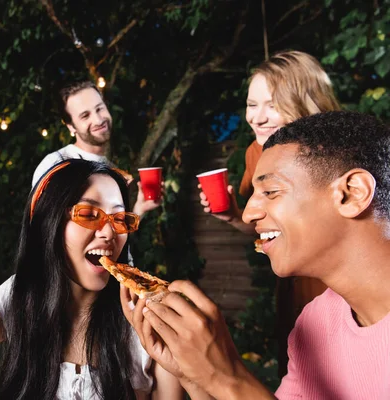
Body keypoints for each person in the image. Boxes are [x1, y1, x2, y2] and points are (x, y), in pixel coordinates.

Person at [0, 159, 210, 399]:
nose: (109, 232)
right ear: (50, 225)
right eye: (89, 214)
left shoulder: (146, 317)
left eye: (120, 218)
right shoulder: (21, 297)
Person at [125, 111, 390, 399]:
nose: (249, 213)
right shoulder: (315, 322)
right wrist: (195, 376)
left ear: (352, 194)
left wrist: (227, 376)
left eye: (272, 191)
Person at [199, 50, 342, 375]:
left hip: (340, 288)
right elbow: (265, 228)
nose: (257, 117)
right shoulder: (258, 152)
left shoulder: (341, 156)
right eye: (252, 105)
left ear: (307, 102)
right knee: (301, 374)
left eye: (273, 104)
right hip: (294, 290)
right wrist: (234, 216)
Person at [32, 80, 161, 219]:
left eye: (100, 108)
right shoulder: (57, 164)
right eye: (85, 116)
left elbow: (113, 234)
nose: (98, 120)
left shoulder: (111, 169)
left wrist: (139, 210)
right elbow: (42, 230)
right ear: (71, 126)